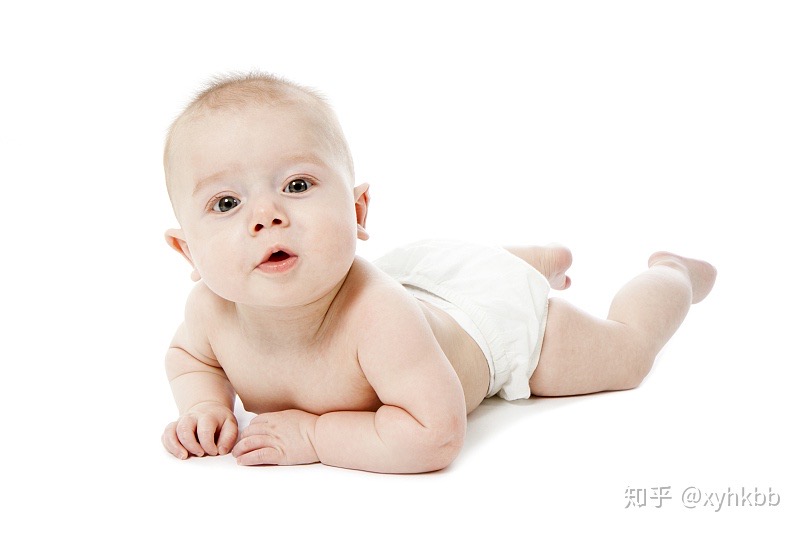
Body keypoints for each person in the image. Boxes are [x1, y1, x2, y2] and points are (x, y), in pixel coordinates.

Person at [160, 72, 716, 473]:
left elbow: (435, 435)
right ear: (189, 252)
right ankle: (532, 260)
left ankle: (673, 275)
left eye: (297, 185)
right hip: (430, 280)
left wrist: (315, 435)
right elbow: (189, 358)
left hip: (488, 325)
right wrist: (204, 406)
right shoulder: (209, 311)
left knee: (626, 356)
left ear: (357, 212)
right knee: (472, 274)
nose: (267, 216)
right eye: (226, 203)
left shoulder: (377, 318)